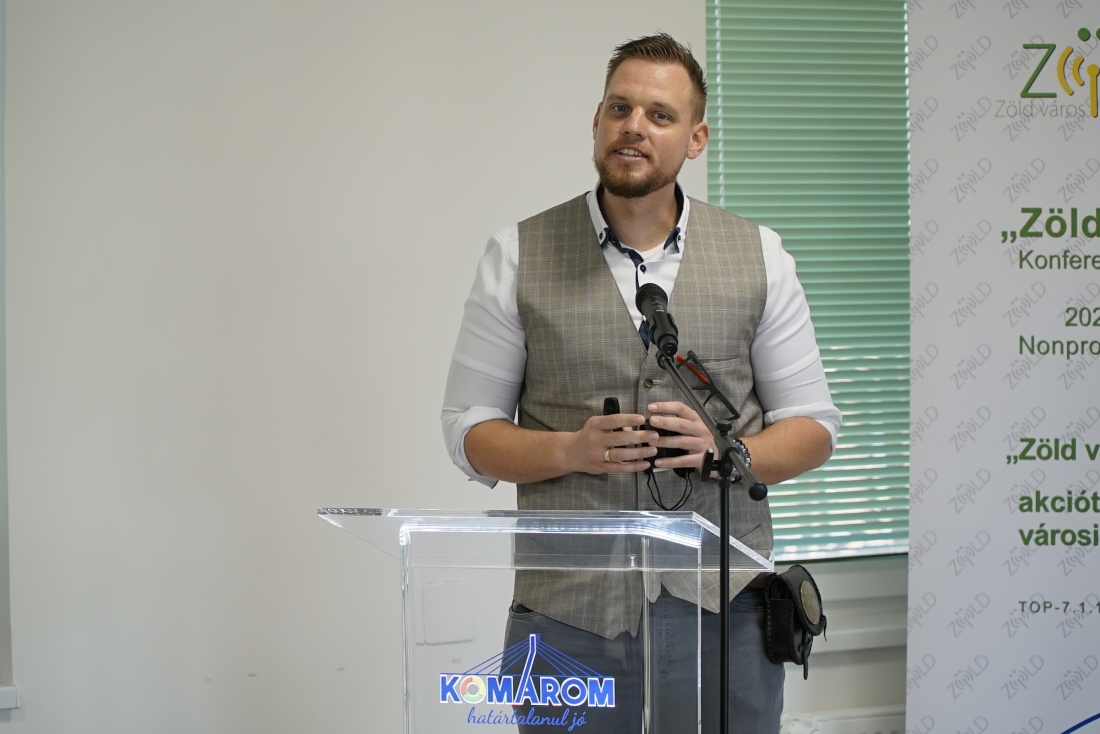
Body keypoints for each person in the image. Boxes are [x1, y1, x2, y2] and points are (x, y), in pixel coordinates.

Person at [441, 34, 840, 734]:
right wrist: (569, 450)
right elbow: (468, 431)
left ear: (696, 139)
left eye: (660, 114)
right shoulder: (517, 254)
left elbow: (813, 429)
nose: (634, 126)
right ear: (597, 121)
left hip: (728, 608)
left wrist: (725, 453)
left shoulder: (760, 255)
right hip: (568, 613)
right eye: (620, 108)